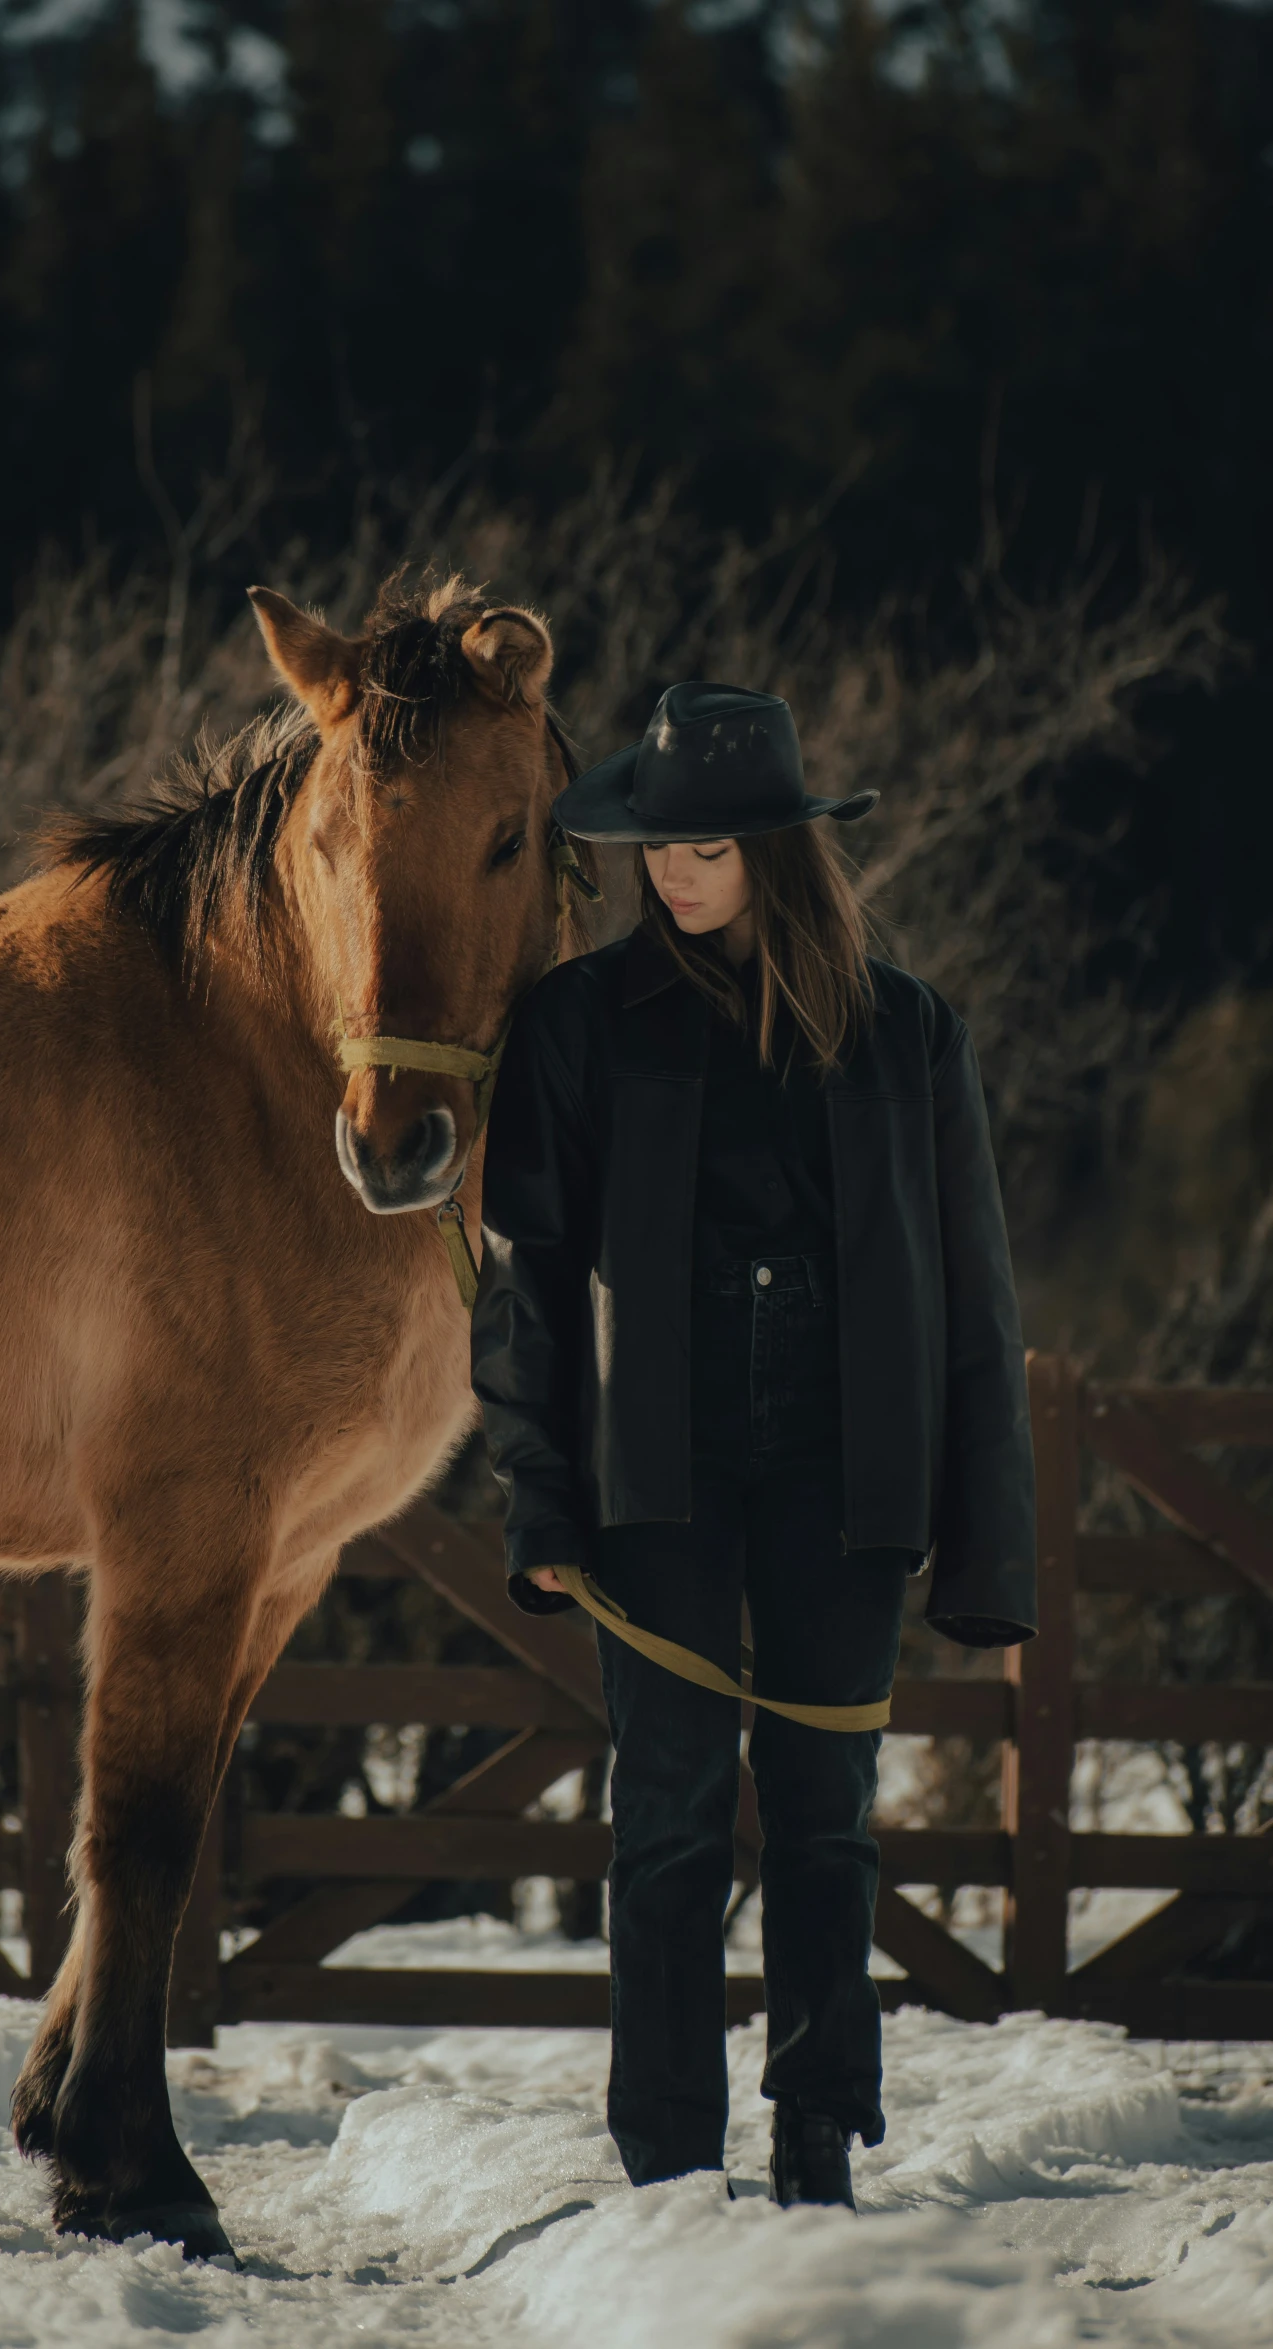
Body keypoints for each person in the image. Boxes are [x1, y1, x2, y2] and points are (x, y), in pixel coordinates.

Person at [470, 682, 1037, 2211]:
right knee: (661, 1820)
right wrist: (538, 1499)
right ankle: (667, 2169)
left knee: (826, 1820)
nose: (672, 873)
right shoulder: (580, 1024)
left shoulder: (907, 1030)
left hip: (845, 1476)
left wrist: (987, 1544)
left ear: (777, 852)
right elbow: (526, 1281)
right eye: (657, 846)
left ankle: (814, 2147)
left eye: (705, 847)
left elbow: (974, 1302)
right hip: (654, 1467)